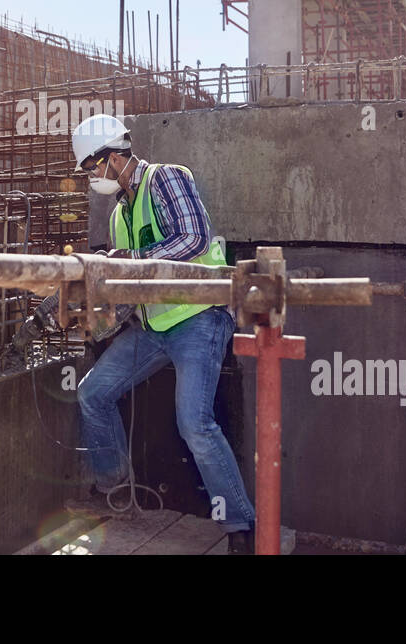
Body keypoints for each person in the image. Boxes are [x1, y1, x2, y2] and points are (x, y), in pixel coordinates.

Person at [65, 114, 257, 554]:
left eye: (92, 167)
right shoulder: (118, 215)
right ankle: (113, 488)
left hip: (198, 316)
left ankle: (241, 526)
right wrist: (103, 321)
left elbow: (192, 238)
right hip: (154, 327)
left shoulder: (168, 178)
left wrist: (127, 257)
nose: (91, 177)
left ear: (114, 157)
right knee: (93, 393)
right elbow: (134, 289)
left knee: (195, 423)